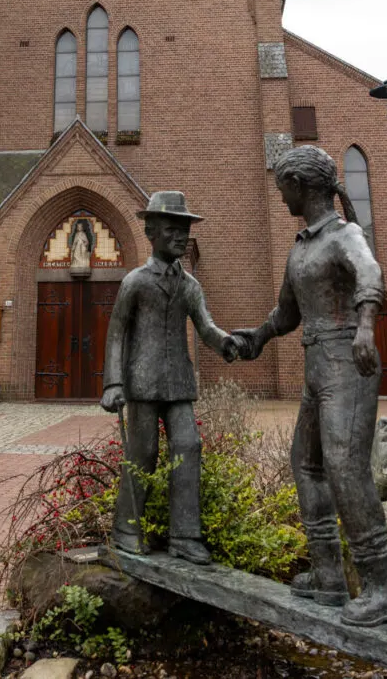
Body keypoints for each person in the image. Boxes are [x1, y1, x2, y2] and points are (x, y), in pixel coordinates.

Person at [233, 145, 387, 627]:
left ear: (302, 186)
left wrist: (367, 327)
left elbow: (370, 272)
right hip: (316, 368)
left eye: (283, 187)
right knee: (306, 464)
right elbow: (286, 313)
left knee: (345, 467)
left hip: (347, 365)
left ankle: (384, 588)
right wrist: (256, 338)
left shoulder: (344, 234)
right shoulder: (302, 246)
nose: (279, 195)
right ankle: (329, 575)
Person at [101, 191, 240, 563]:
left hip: (179, 381)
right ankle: (126, 530)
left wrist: (226, 342)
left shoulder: (190, 286)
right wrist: (113, 383)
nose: (181, 236)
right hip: (142, 383)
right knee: (142, 454)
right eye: (172, 229)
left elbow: (206, 327)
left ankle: (185, 535)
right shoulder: (136, 282)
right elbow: (116, 332)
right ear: (151, 232)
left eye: (184, 230)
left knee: (188, 446)